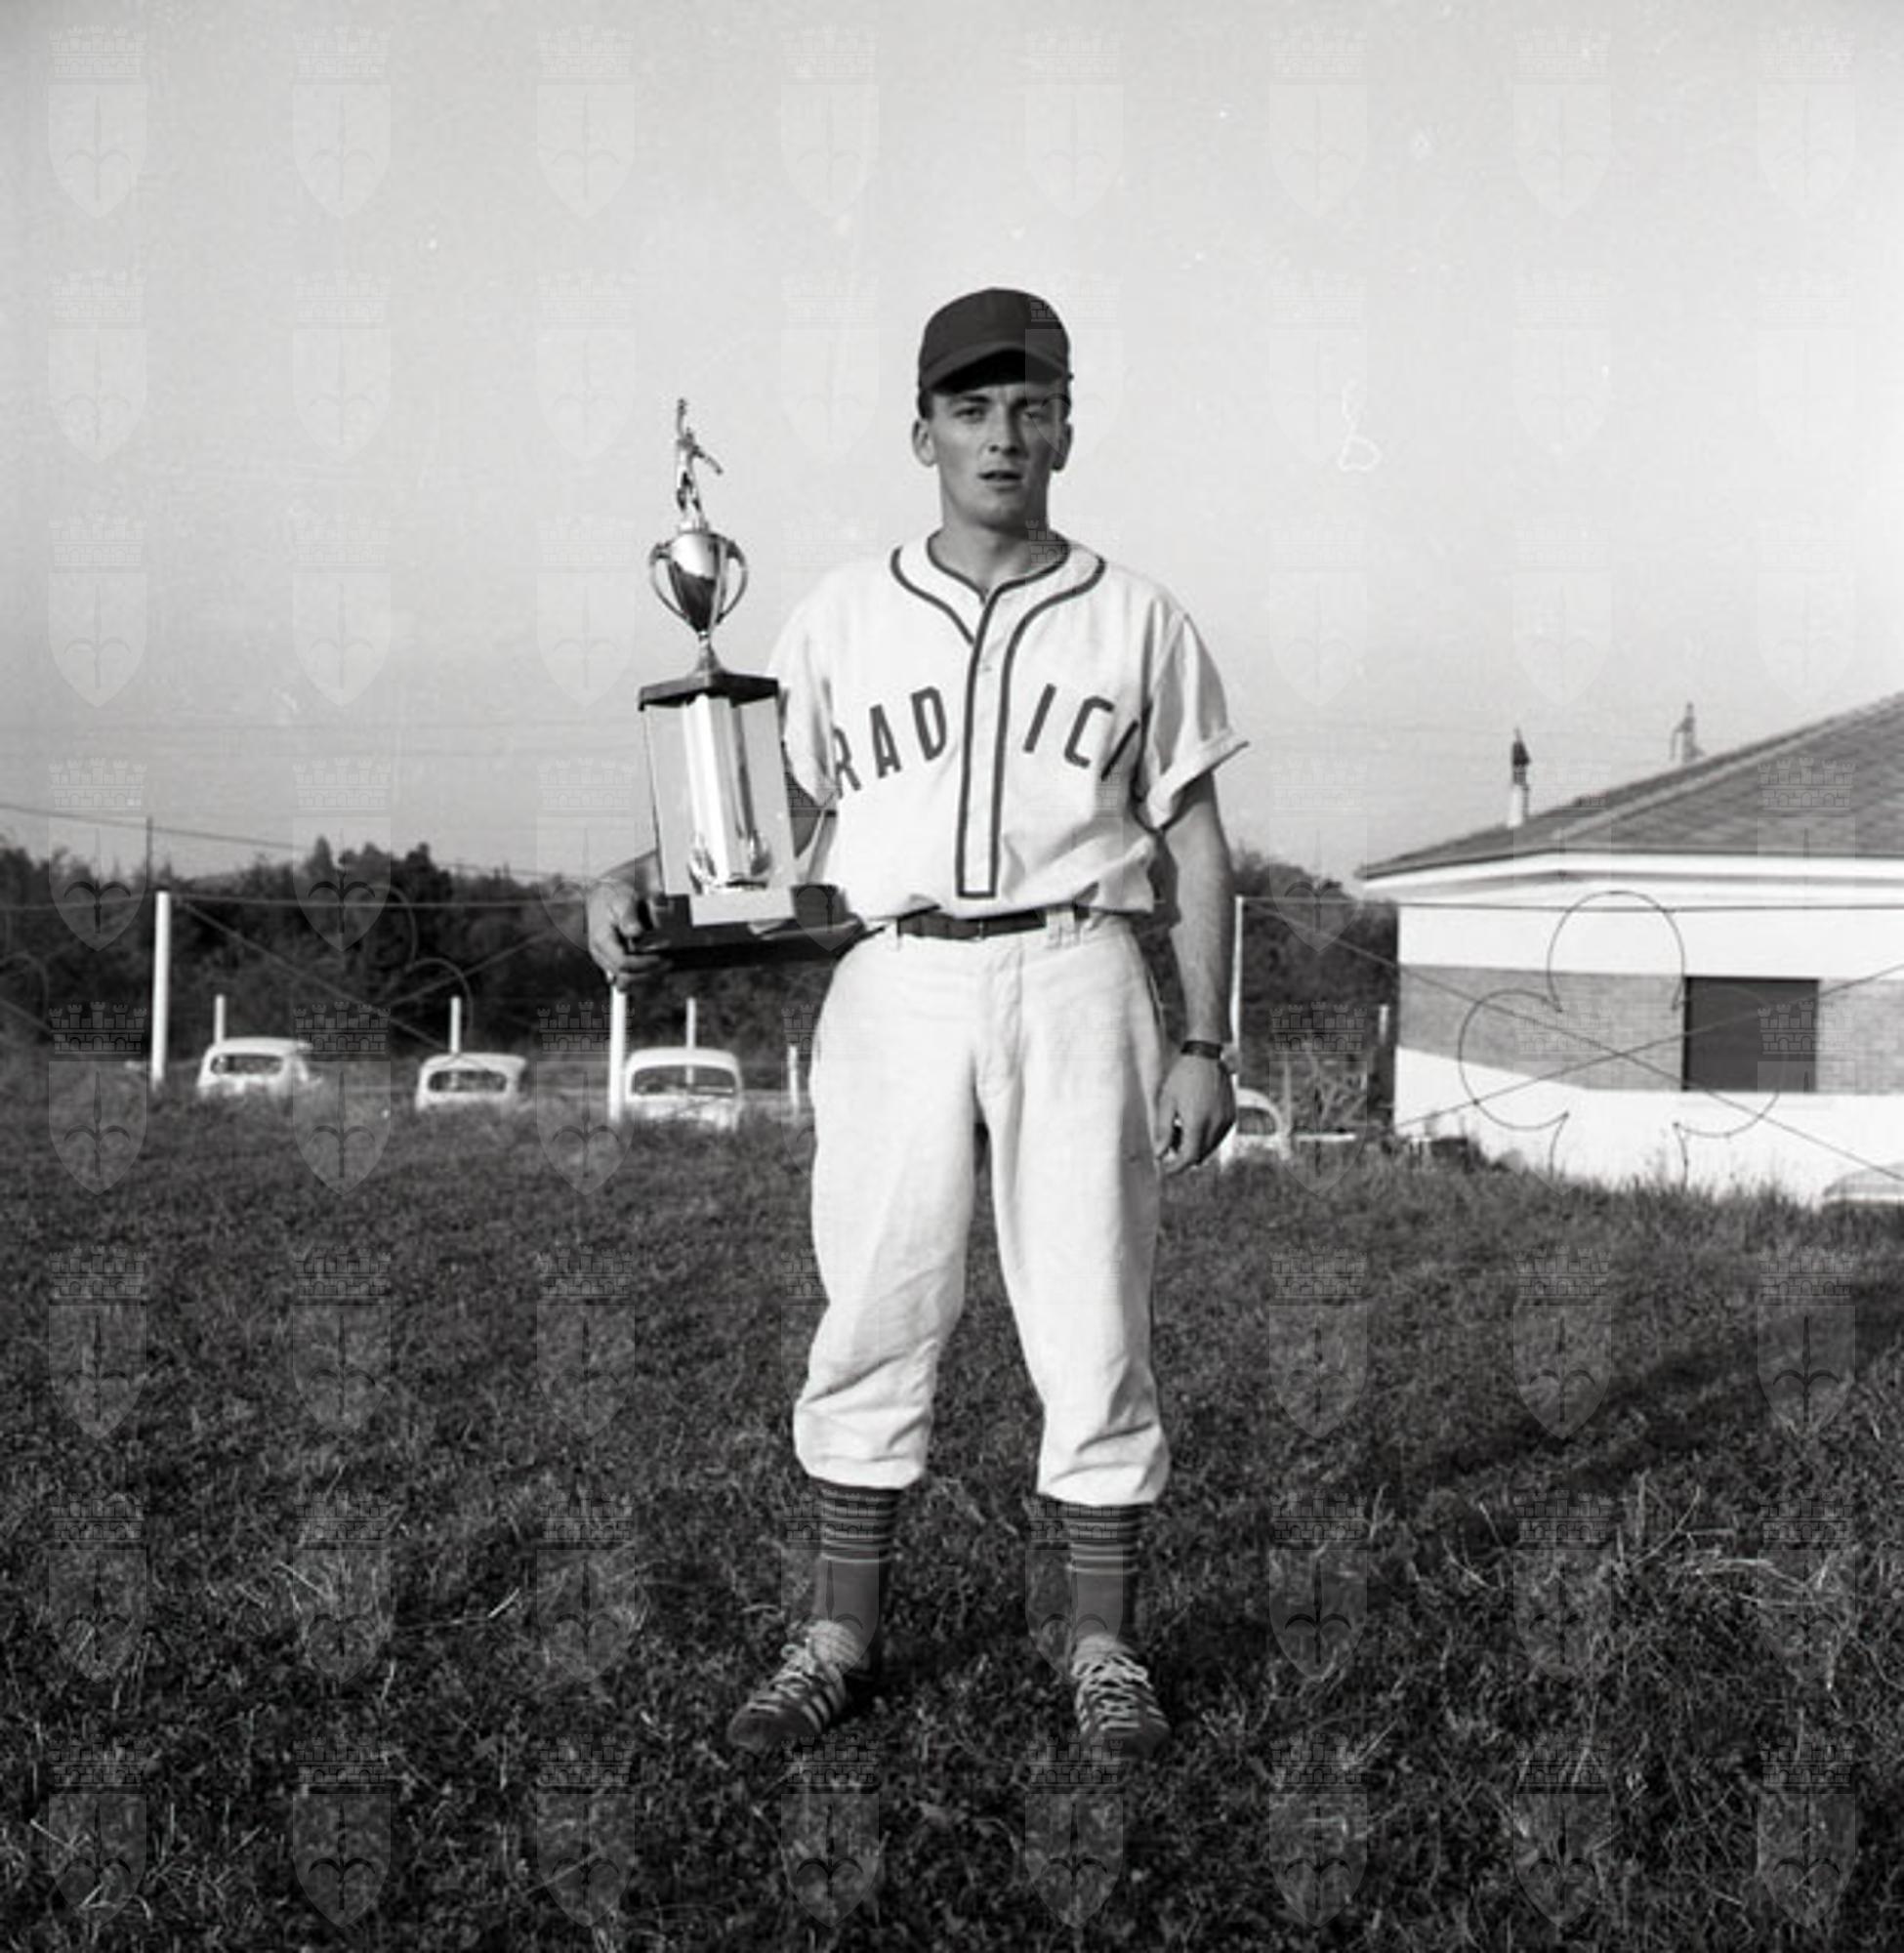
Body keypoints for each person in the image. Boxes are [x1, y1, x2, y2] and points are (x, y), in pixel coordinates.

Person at [588, 287, 1245, 1763]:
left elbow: (1196, 842)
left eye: (1030, 407)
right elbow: (766, 816)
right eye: (970, 408)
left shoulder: (1139, 617)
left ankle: (1104, 1650)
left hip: (1078, 967)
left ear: (1066, 426)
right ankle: (838, 1635)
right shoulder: (843, 612)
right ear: (922, 433)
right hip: (896, 976)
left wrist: (1207, 1042)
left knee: (1093, 1311)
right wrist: (635, 876)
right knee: (877, 1301)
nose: (1001, 435)